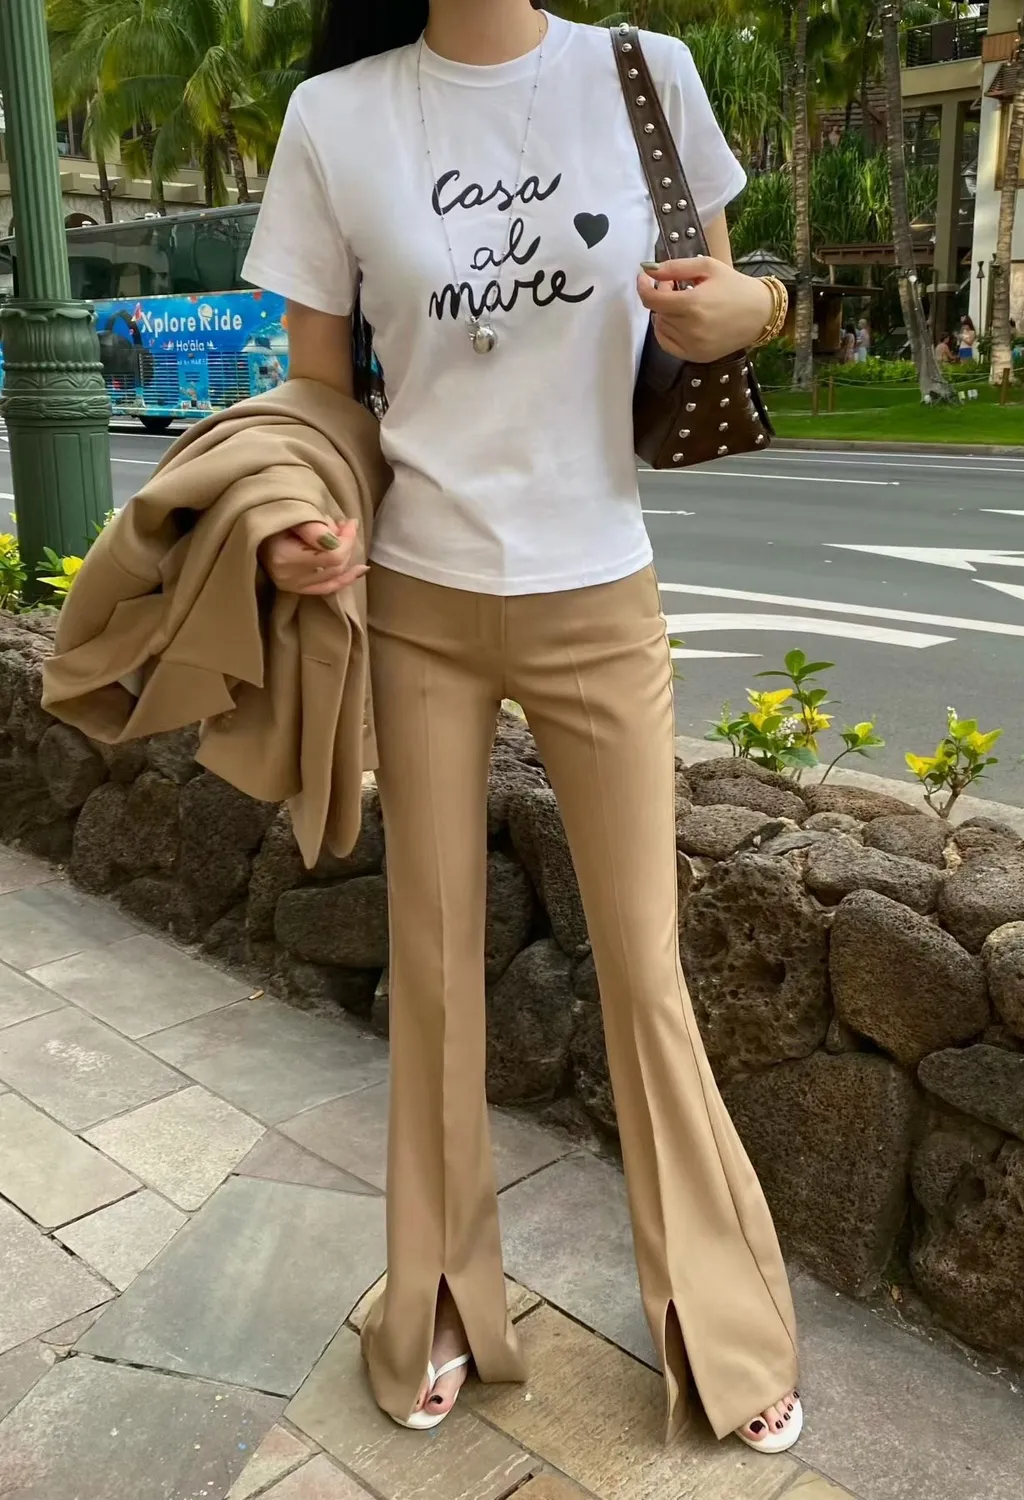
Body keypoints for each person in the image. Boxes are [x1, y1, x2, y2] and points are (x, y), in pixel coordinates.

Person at [240, 0, 803, 1457]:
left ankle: (723, 1329)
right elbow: (317, 390)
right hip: (415, 598)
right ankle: (432, 1303)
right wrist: (299, 514)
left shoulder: (645, 75)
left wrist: (758, 309)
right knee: (432, 966)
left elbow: (729, 296)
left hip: (599, 592)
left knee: (646, 967)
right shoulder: (339, 116)